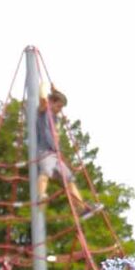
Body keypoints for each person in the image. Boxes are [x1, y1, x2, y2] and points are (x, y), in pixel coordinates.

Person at [36, 87, 101, 218]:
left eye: (62, 107)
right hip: (45, 152)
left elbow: (57, 144)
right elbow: (42, 97)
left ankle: (81, 208)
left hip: (55, 154)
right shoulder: (44, 112)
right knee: (45, 172)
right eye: (58, 106)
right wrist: (51, 91)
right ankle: (40, 196)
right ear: (51, 102)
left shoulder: (56, 120)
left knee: (70, 178)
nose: (60, 109)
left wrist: (71, 163)